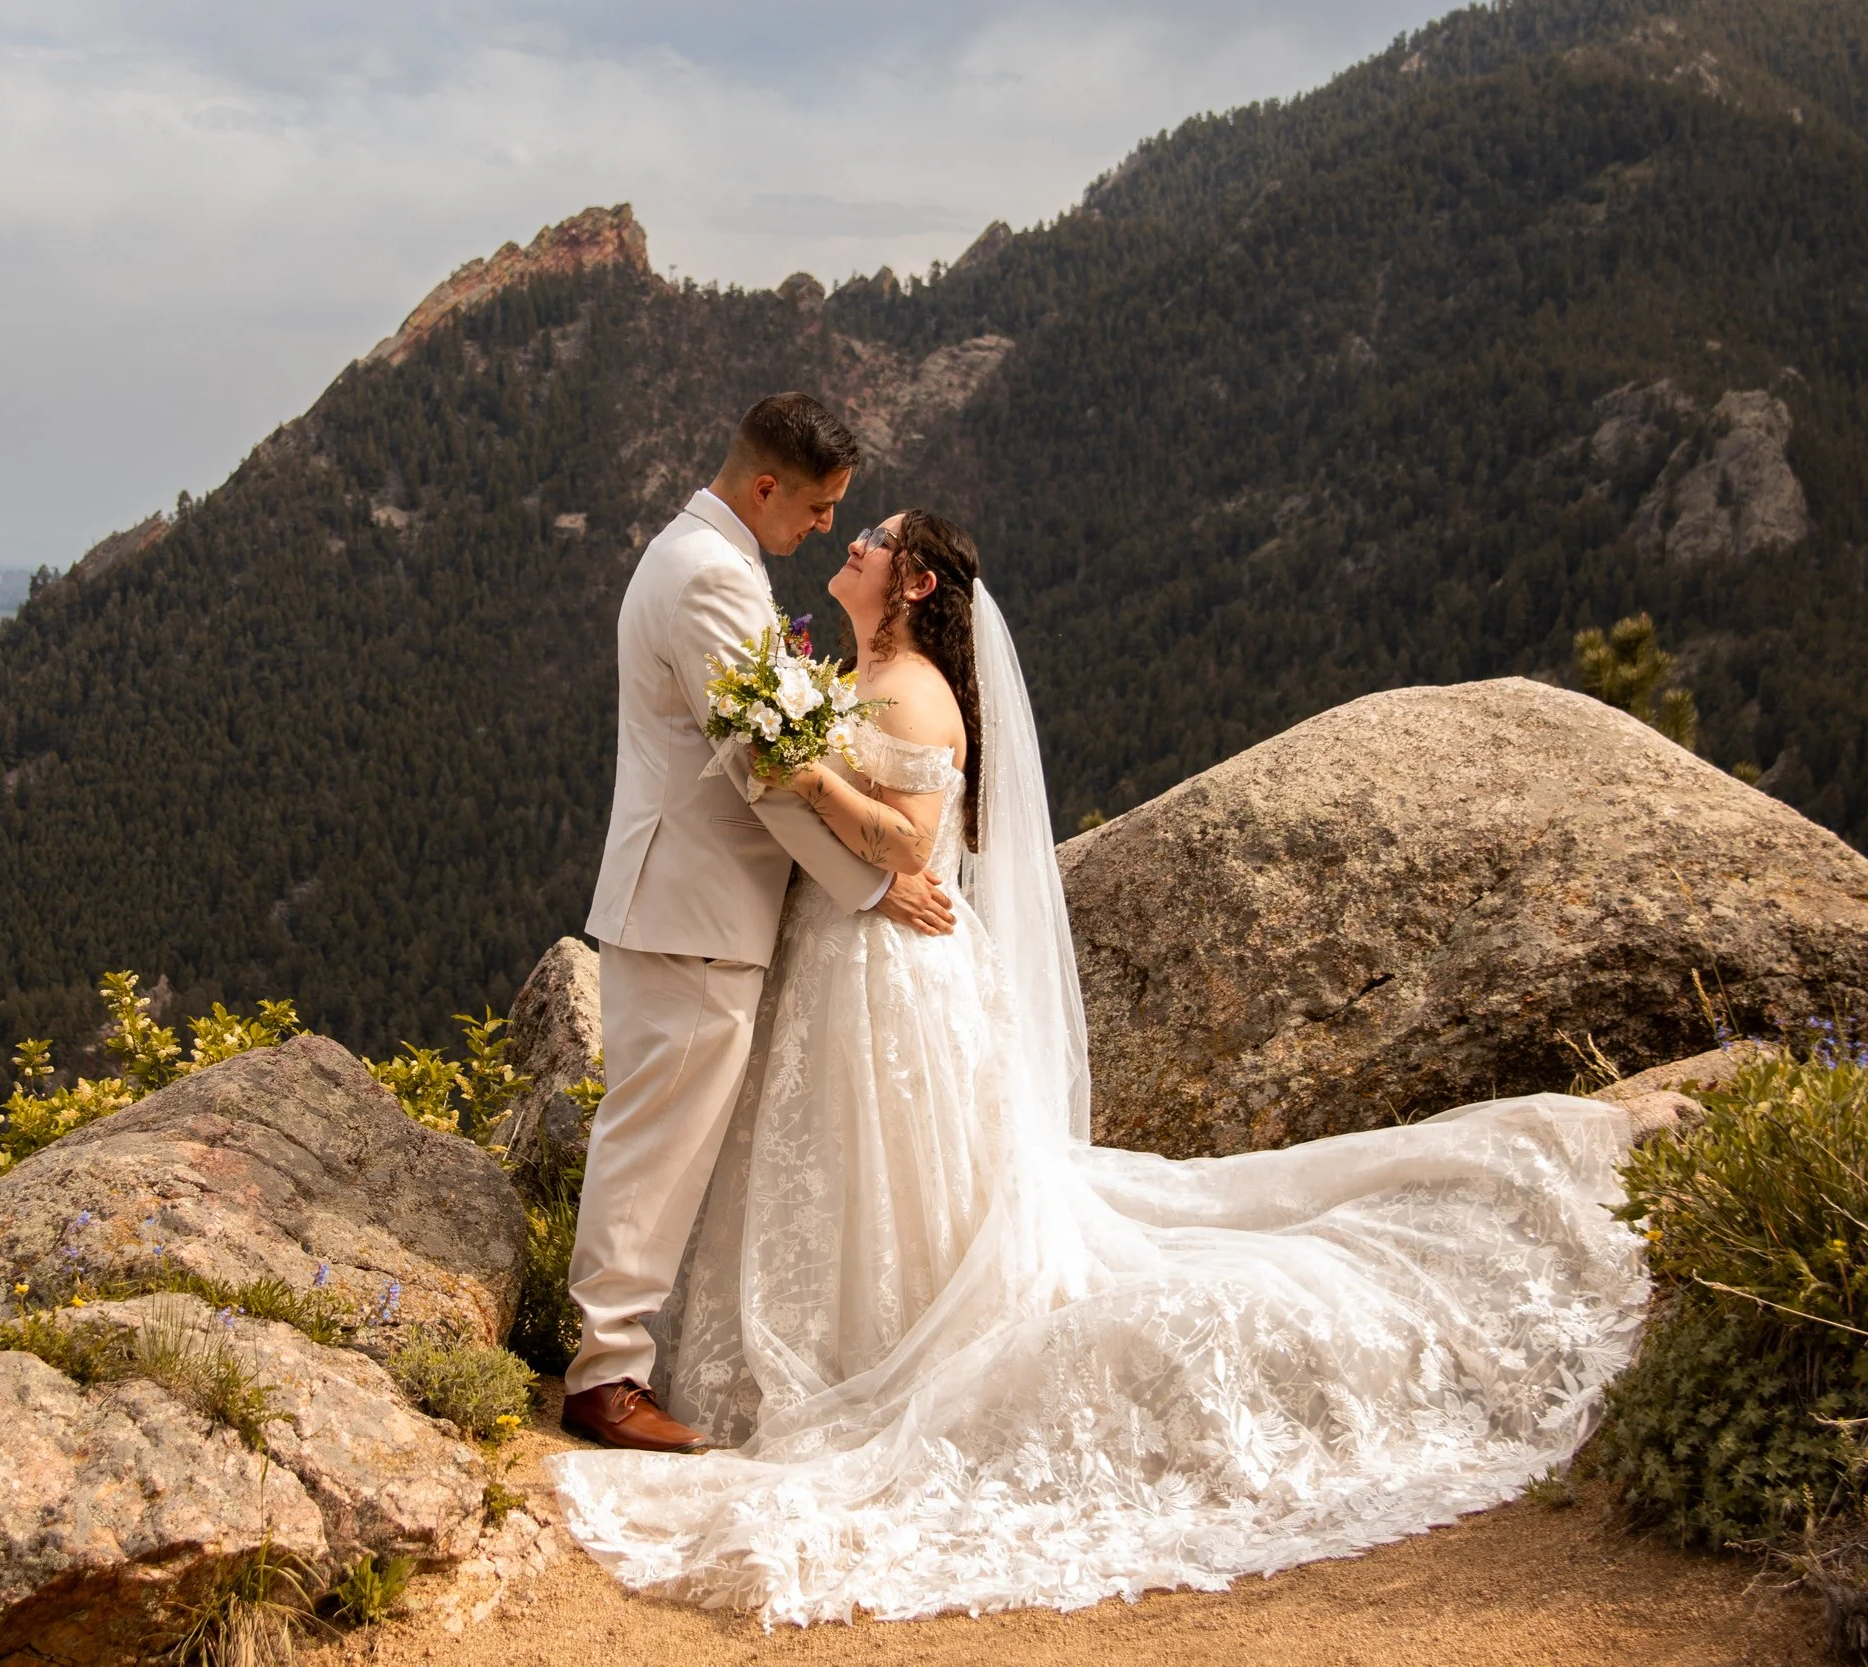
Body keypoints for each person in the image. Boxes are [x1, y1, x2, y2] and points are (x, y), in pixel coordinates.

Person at [549, 502, 1652, 1624]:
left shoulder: (909, 691)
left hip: (885, 961)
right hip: (844, 947)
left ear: (918, 583)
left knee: (874, 1154)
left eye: (872, 541)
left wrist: (794, 766)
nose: (855, 549)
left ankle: (850, 1345)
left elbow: (909, 841)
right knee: (833, 1155)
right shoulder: (860, 671)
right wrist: (798, 747)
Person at [564, 393, 956, 1455]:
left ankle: (617, 1358)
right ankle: (604, 1373)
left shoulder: (701, 558)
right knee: (655, 1135)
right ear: (768, 486)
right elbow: (762, 770)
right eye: (824, 506)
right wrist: (872, 886)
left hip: (694, 901)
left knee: (664, 1127)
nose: (829, 527)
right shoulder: (709, 578)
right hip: (691, 900)